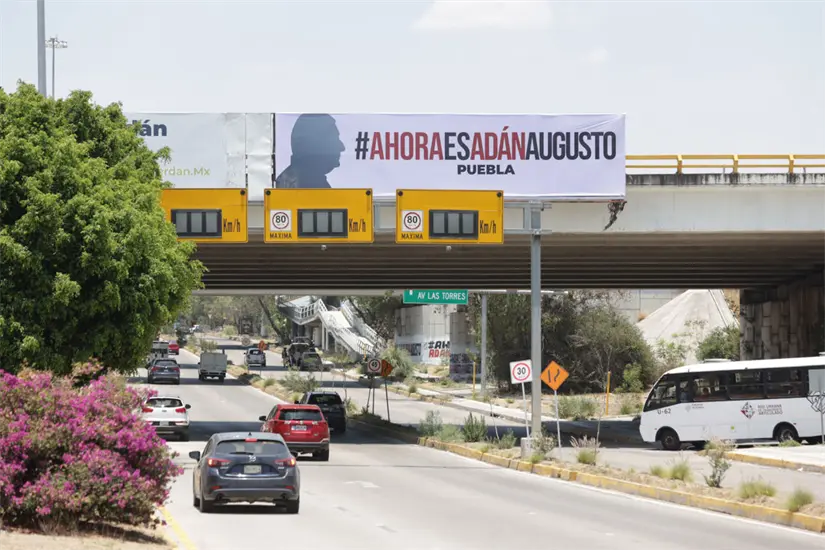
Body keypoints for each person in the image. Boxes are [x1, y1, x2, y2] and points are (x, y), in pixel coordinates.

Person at [275, 114, 345, 188]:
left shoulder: (312, 183)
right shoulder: (304, 185)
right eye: (334, 140)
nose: (342, 147)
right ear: (317, 145)